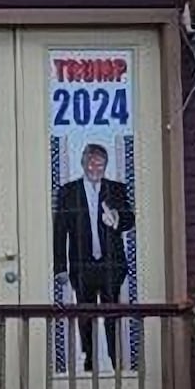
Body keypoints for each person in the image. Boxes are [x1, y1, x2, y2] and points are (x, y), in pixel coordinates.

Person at [52, 142, 131, 371]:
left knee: (111, 313)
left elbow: (129, 220)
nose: (94, 167)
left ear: (105, 165)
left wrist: (116, 219)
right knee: (84, 315)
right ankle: (89, 361)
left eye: (99, 163)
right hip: (81, 266)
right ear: (83, 163)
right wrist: (60, 267)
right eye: (90, 162)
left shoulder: (116, 189)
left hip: (111, 265)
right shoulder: (68, 191)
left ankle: (116, 362)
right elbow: (60, 232)